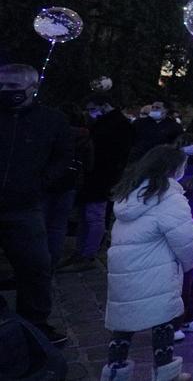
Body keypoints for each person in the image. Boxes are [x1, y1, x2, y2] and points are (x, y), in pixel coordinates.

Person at [102, 145, 193, 381]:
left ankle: (115, 371)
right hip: (156, 270)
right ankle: (166, 373)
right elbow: (185, 239)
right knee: (163, 322)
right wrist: (192, 263)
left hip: (124, 271)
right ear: (172, 168)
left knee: (124, 324)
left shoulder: (130, 192)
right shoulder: (169, 198)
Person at [0, 64, 72, 345]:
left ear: (31, 89)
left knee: (35, 267)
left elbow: (64, 156)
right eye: (2, 86)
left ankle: (34, 326)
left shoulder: (51, 120)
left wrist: (40, 183)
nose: (6, 92)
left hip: (25, 206)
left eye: (13, 88)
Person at [62, 95, 135, 273]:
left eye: (92, 108)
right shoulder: (106, 122)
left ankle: (88, 254)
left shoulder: (118, 125)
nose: (90, 112)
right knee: (86, 217)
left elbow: (117, 154)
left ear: (105, 106)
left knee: (94, 216)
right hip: (94, 175)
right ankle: (81, 251)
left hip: (102, 177)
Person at [171, 133, 193, 341]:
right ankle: (175, 322)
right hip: (186, 214)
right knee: (183, 278)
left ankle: (188, 317)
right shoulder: (173, 168)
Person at [45, 104, 90, 270]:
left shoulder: (53, 132)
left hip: (48, 183)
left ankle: (40, 260)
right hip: (70, 183)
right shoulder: (84, 137)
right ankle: (53, 261)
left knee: (42, 223)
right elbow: (89, 162)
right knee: (58, 225)